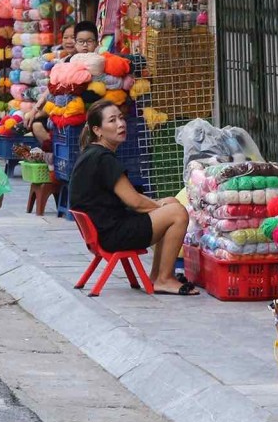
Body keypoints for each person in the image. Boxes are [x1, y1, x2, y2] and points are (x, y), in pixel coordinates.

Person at [69, 99, 197, 296]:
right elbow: (135, 202)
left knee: (170, 204)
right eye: (112, 121)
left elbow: (132, 198)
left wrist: (162, 204)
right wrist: (160, 206)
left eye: (121, 118)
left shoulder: (93, 153)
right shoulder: (103, 159)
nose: (121, 124)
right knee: (177, 212)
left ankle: (157, 277)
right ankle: (164, 279)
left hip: (103, 232)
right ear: (98, 130)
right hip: (113, 235)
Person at [24, 24, 77, 148]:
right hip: (58, 106)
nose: (69, 41)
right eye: (65, 37)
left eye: (73, 37)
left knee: (38, 122)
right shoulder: (63, 62)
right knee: (35, 123)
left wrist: (40, 112)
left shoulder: (81, 62)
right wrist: (34, 110)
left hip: (72, 108)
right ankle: (54, 157)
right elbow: (50, 89)